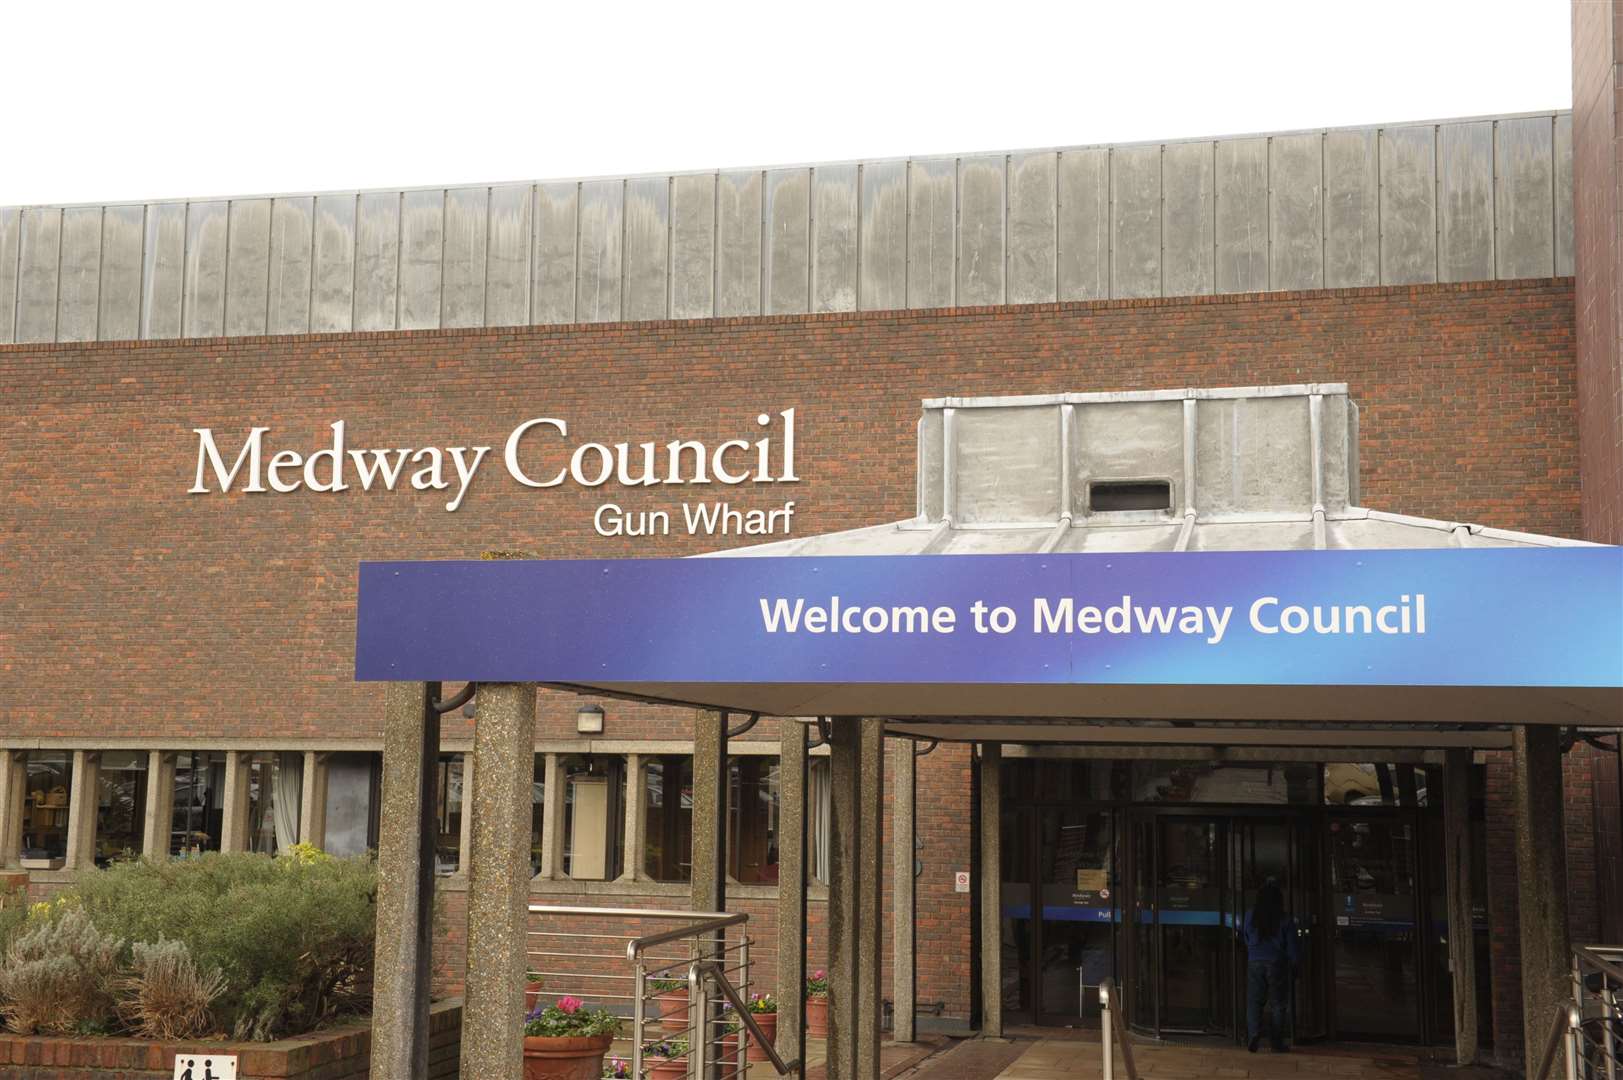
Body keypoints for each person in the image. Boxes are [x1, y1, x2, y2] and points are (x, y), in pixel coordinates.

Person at [1241, 881, 1297, 1053]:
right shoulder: (1285, 919)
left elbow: (1246, 936)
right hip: (1276, 963)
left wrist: (1253, 950)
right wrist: (1295, 964)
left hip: (1254, 961)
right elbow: (1293, 947)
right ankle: (1276, 1042)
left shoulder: (1251, 915)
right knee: (1278, 1004)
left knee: (1254, 1001)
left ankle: (1253, 1034)